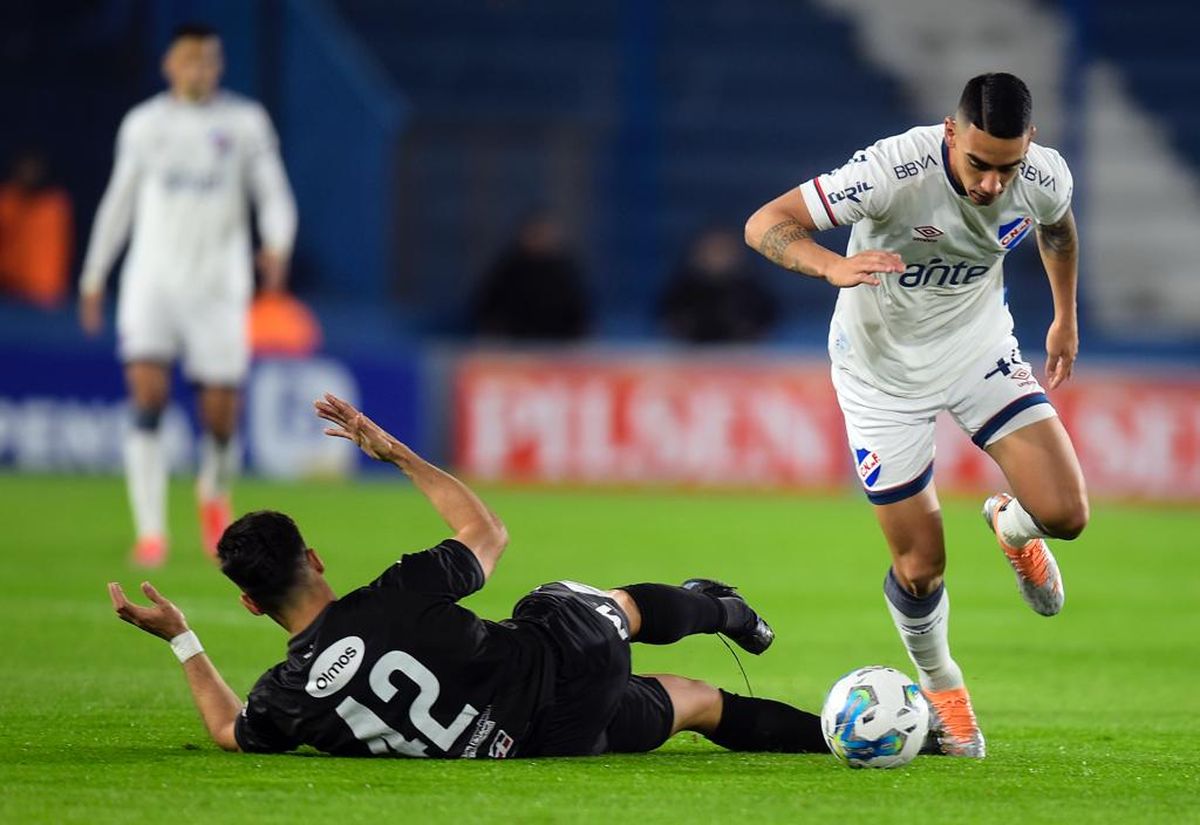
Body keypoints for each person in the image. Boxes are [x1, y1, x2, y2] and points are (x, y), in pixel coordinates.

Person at [108, 393, 829, 760]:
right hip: (569, 662)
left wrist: (183, 639)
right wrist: (396, 455)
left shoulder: (287, 695)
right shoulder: (398, 591)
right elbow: (487, 533)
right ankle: (722, 610)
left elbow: (227, 728)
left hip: (547, 741)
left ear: (250, 603)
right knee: (573, 600)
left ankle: (838, 737)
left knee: (698, 702)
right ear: (316, 559)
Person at [744, 73, 1089, 758]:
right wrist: (825, 265)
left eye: (1008, 167)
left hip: (976, 347)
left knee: (1067, 513)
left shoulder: (1044, 176)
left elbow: (1058, 230)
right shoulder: (889, 171)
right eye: (979, 164)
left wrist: (1064, 318)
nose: (994, 183)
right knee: (920, 564)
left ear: (1032, 147)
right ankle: (944, 690)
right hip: (880, 373)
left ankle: (1012, 525)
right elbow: (764, 224)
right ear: (950, 133)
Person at [78, 23, 297, 567]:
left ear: (218, 65)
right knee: (146, 396)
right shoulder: (145, 124)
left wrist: (276, 244)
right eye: (190, 60)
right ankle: (151, 533)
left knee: (220, 416)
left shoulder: (245, 123)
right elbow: (118, 202)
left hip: (219, 287)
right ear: (169, 65)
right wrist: (93, 274)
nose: (200, 69)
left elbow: (273, 194)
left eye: (209, 60)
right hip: (151, 282)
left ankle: (212, 495)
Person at [470, 211, 590, 341]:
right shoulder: (508, 269)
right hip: (515, 347)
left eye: (544, 233)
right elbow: (487, 309)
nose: (539, 238)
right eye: (535, 233)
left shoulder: (564, 270)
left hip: (558, 347)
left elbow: (579, 313)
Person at [658, 226, 778, 344]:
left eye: (723, 250)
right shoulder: (681, 291)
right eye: (712, 250)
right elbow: (669, 325)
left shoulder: (753, 293)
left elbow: (767, 327)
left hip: (742, 357)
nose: (718, 257)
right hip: (690, 356)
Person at [0, 147, 74, 308]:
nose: (29, 173)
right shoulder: (5, 202)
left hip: (45, 299)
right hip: (7, 295)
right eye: (25, 168)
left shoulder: (56, 207)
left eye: (34, 168)